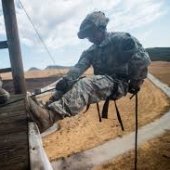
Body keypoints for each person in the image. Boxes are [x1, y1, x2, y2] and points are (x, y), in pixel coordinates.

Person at [27, 11, 151, 133]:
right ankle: (45, 109)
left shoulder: (121, 40)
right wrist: (66, 80)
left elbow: (142, 59)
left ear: (102, 28)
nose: (90, 38)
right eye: (88, 35)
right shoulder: (91, 51)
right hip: (103, 82)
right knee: (70, 83)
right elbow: (79, 67)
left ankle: (50, 117)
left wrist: (136, 81)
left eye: (92, 34)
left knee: (85, 84)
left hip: (119, 84)